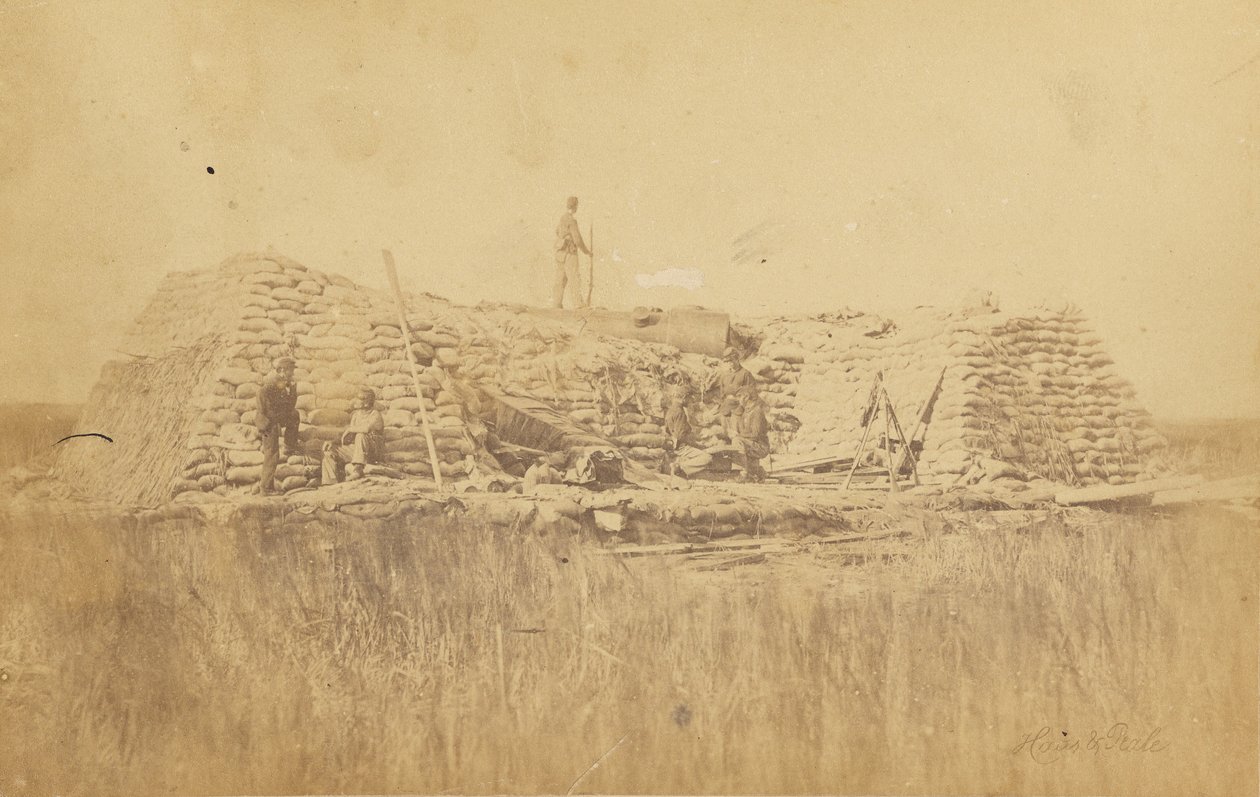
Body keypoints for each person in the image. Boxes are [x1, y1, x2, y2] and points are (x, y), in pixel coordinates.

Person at [256, 356, 300, 495]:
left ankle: (289, 445)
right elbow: (263, 401)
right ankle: (265, 488)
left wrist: (293, 390)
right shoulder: (271, 383)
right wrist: (269, 423)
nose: (292, 373)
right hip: (268, 422)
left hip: (276, 418)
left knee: (294, 414)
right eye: (290, 370)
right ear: (281, 370)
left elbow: (289, 406)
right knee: (272, 454)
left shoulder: (283, 383)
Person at [325, 388, 385, 482]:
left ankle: (358, 470)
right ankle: (330, 481)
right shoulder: (356, 415)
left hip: (372, 453)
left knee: (360, 435)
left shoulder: (375, 415)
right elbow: (349, 436)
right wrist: (334, 441)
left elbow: (366, 429)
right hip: (359, 451)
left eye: (359, 398)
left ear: (367, 402)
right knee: (330, 450)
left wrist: (350, 429)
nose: (355, 401)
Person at [553, 195, 591, 309]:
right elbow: (577, 240)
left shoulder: (562, 218)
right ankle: (578, 304)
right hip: (570, 253)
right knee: (574, 278)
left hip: (560, 253)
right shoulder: (572, 221)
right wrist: (586, 251)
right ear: (575, 206)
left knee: (560, 280)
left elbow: (557, 231)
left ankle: (556, 304)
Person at [715, 347, 757, 443]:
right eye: (727, 361)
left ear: (737, 359)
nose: (730, 363)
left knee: (737, 436)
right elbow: (722, 393)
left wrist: (743, 407)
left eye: (732, 360)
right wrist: (722, 405)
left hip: (739, 408)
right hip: (726, 408)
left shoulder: (745, 374)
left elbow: (751, 393)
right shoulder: (724, 375)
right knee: (725, 434)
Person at [735, 386, 770, 482]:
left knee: (737, 441)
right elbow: (743, 431)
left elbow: (755, 434)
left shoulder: (757, 411)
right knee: (735, 441)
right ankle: (756, 471)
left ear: (746, 397)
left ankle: (744, 473)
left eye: (739, 396)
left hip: (761, 446)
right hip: (752, 444)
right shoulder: (746, 412)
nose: (738, 400)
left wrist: (739, 436)